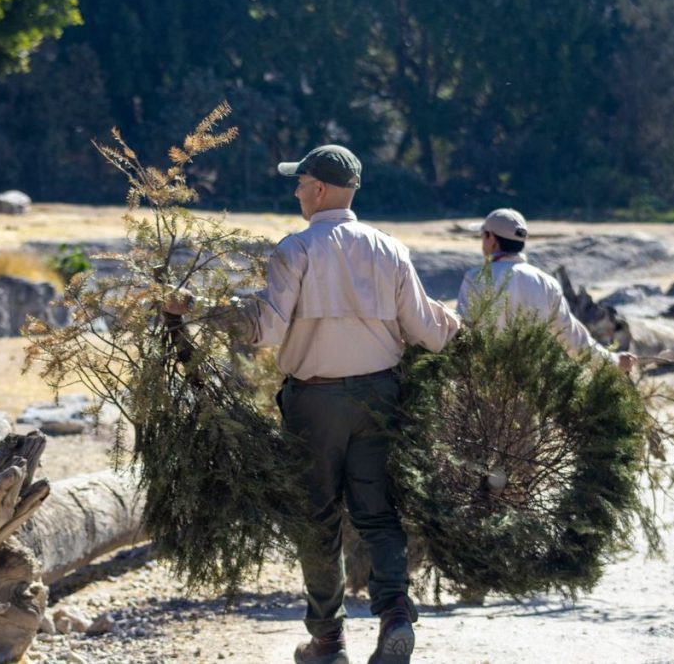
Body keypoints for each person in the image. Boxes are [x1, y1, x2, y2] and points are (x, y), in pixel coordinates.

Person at [166, 144, 460, 664]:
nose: (296, 191)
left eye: (299, 182)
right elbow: (428, 331)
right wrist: (466, 334)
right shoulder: (390, 249)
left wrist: (197, 310)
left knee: (318, 520)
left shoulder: (296, 250)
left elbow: (264, 328)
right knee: (377, 513)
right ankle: (394, 615)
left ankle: (328, 641)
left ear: (319, 189)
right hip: (379, 397)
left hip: (315, 404)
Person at [456, 208, 635, 372]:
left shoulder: (475, 279)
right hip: (533, 386)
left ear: (492, 239)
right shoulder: (546, 283)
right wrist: (613, 361)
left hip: (484, 382)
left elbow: (463, 335)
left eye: (483, 235)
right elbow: (574, 342)